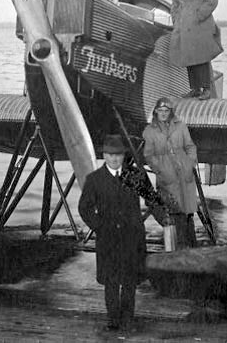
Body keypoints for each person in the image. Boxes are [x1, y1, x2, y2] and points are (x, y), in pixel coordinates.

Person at [78, 134, 146, 332]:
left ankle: (128, 319)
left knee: (129, 281)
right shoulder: (94, 179)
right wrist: (100, 225)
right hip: (108, 239)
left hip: (131, 237)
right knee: (111, 281)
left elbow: (151, 198)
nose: (115, 159)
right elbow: (85, 208)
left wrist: (166, 217)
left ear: (124, 156)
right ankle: (113, 320)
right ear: (104, 155)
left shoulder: (134, 175)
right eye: (110, 155)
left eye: (118, 155)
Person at [142, 97, 198, 248]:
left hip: (183, 177)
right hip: (167, 179)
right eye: (160, 111)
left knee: (187, 215)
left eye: (166, 111)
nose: (163, 114)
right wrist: (160, 169)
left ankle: (191, 248)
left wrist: (189, 163)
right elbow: (148, 155)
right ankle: (177, 251)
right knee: (172, 214)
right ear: (156, 112)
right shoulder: (150, 130)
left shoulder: (181, 127)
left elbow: (190, 146)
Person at [171, 0, 223, 100]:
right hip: (184, 25)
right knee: (188, 56)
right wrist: (176, 19)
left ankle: (206, 88)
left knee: (202, 55)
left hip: (201, 24)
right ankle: (195, 88)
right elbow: (174, 3)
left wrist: (199, 15)